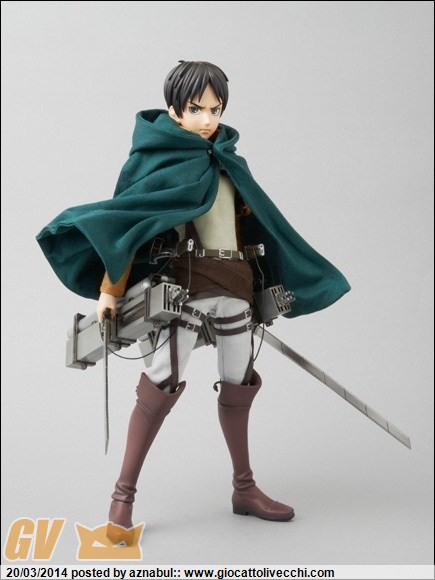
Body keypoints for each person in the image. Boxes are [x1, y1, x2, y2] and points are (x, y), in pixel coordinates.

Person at [36, 61, 350, 544]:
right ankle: (122, 499)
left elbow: (261, 227)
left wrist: (271, 281)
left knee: (238, 383)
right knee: (162, 381)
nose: (207, 119)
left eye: (215, 109)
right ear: (174, 110)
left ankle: (244, 489)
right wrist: (110, 290)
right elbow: (127, 226)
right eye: (196, 109)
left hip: (236, 285)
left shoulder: (229, 162)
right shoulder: (157, 162)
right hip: (185, 287)